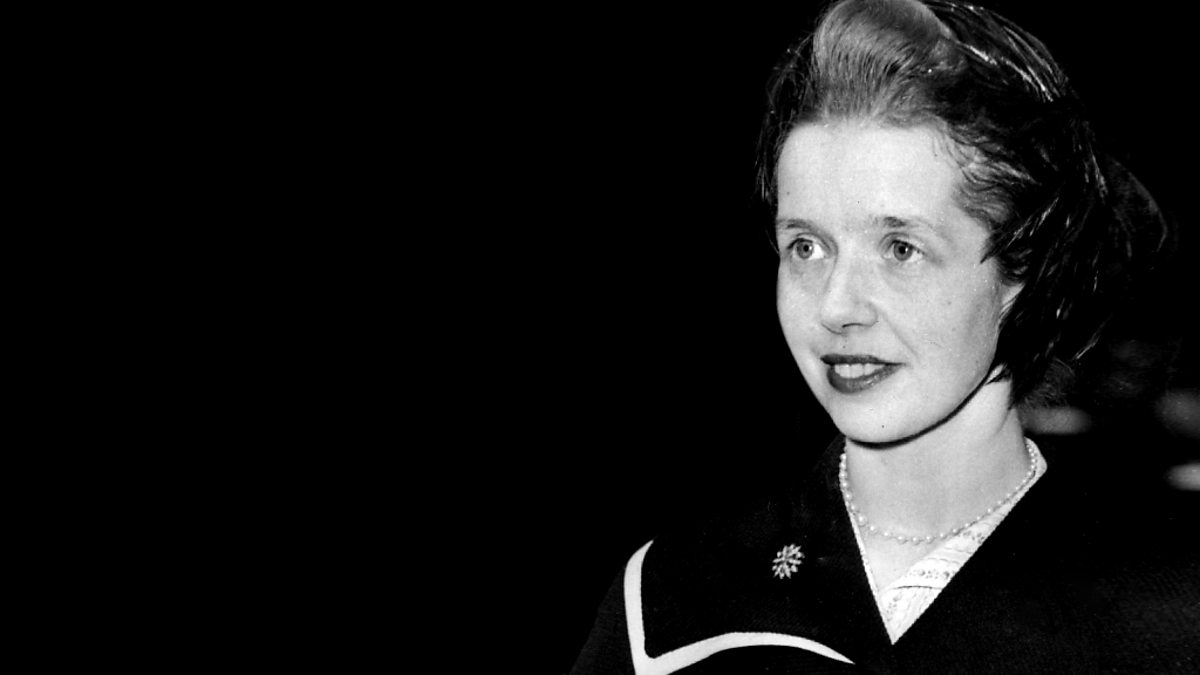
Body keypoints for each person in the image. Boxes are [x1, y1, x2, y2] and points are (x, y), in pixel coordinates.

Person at [570, 0, 1198, 672]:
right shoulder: (669, 604)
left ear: (1024, 272)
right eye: (807, 247)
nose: (836, 306)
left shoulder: (1171, 608)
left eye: (901, 248)